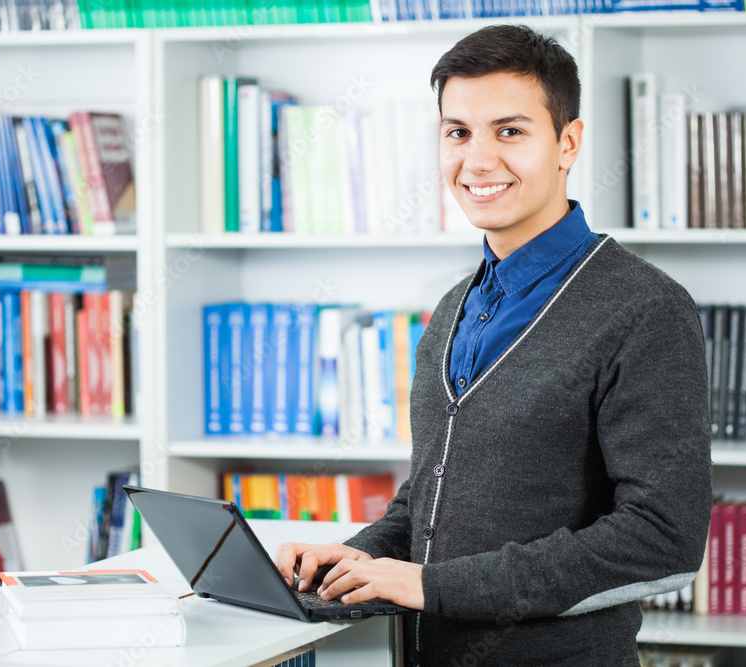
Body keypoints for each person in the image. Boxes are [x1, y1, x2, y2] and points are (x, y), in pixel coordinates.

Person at [275, 24, 712, 666]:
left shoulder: (646, 308)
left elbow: (661, 540)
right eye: (458, 132)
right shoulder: (454, 307)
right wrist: (360, 556)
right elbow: (431, 495)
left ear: (568, 143)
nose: (477, 161)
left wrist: (430, 585)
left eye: (509, 131)